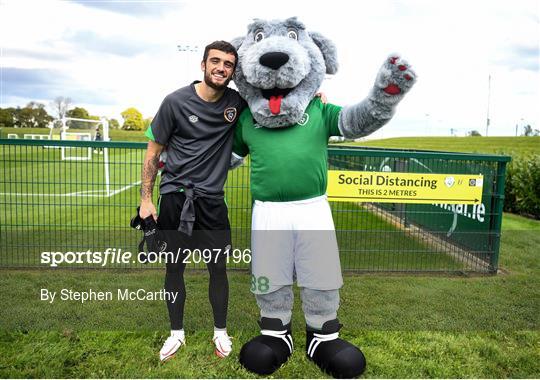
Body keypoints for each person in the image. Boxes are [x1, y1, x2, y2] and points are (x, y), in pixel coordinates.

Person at [139, 40, 246, 362]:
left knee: (218, 269)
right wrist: (146, 200)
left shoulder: (236, 103)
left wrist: (313, 96)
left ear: (233, 71)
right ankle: (176, 334)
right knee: (174, 268)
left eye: (228, 64)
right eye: (215, 61)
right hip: (174, 198)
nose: (221, 68)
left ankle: (220, 331)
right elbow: (153, 152)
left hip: (212, 201)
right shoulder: (174, 101)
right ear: (202, 64)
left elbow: (274, 105)